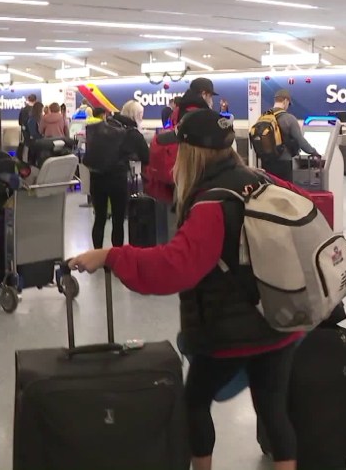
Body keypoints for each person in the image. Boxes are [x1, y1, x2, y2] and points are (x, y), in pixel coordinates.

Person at [69, 109, 301, 470]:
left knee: (194, 402)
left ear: (193, 152)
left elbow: (173, 268)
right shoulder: (261, 180)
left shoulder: (211, 206)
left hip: (229, 331)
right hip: (281, 319)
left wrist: (111, 256)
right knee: (273, 407)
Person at [87, 100, 151, 249]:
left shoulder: (103, 125)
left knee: (99, 219)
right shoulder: (132, 132)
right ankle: (116, 257)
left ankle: (97, 255)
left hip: (96, 177)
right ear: (136, 115)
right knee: (118, 220)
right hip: (117, 179)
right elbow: (146, 157)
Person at [260, 90, 319, 182]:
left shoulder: (263, 116)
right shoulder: (289, 118)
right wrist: (313, 152)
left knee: (270, 188)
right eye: (288, 104)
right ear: (285, 101)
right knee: (285, 190)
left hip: (266, 161)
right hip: (283, 162)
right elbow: (300, 140)